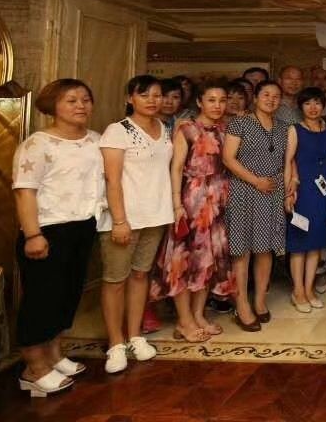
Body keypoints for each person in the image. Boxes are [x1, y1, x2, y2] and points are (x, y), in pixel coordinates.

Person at [12, 79, 103, 397]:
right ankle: (33, 369)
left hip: (82, 227)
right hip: (47, 230)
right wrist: (32, 234)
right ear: (53, 105)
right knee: (42, 299)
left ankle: (53, 355)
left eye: (85, 99)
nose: (81, 105)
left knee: (67, 295)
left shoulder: (95, 140)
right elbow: (24, 192)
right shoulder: (38, 144)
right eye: (71, 100)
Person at [98, 75, 174, 374]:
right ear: (130, 98)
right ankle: (115, 343)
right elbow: (112, 179)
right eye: (145, 95)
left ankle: (135, 335)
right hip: (124, 218)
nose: (153, 100)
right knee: (115, 280)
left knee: (141, 275)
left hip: (155, 215)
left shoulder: (164, 128)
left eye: (157, 95)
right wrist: (119, 220)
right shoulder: (118, 131)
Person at [151, 81, 236, 342]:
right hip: (192, 200)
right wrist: (177, 204)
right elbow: (176, 168)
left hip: (218, 200)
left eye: (222, 100)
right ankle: (184, 319)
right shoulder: (186, 128)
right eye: (211, 100)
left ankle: (198, 314)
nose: (217, 105)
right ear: (199, 102)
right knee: (184, 261)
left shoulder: (226, 129)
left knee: (208, 261)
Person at [222, 80, 288, 332]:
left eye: (276, 96)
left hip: (272, 192)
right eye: (266, 94)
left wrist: (287, 185)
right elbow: (228, 158)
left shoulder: (283, 127)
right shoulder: (240, 123)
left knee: (265, 248)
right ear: (256, 98)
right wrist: (255, 181)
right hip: (244, 190)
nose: (271, 99)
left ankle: (260, 300)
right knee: (242, 250)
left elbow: (287, 160)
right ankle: (241, 304)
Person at [284, 87, 326, 312]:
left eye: (317, 103)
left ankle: (309, 289)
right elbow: (288, 161)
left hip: (323, 192)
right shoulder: (295, 129)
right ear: (301, 107)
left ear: (323, 105)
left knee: (316, 243)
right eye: (307, 103)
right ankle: (298, 291)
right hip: (302, 190)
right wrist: (288, 192)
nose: (313, 108)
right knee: (299, 244)